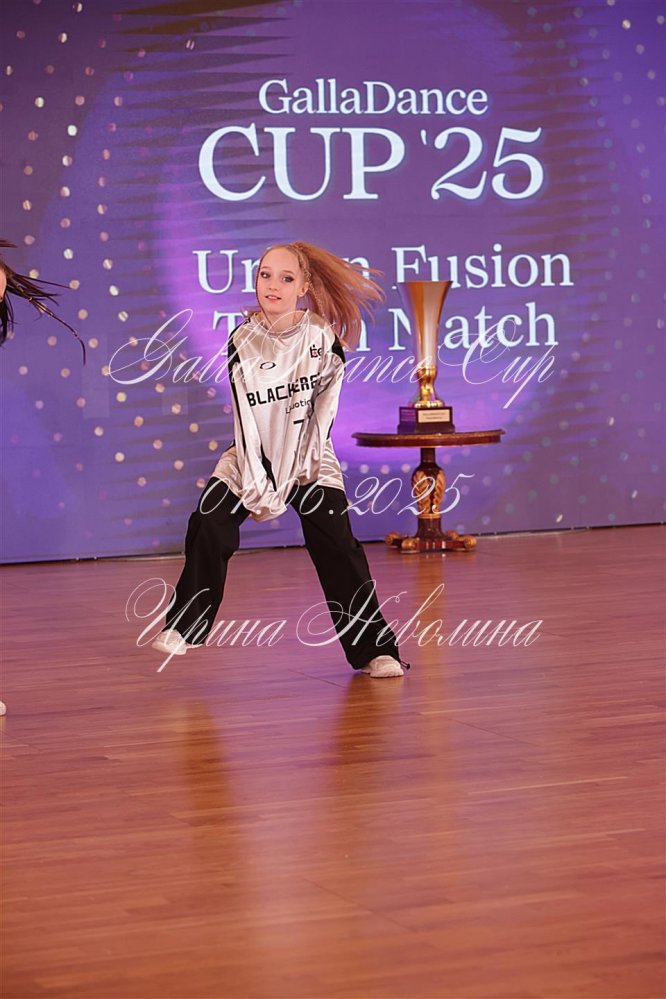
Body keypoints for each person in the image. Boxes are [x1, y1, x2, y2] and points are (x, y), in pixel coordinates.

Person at [151, 241, 410, 678]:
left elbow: (323, 412)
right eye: (265, 275)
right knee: (210, 521)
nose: (273, 285)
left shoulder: (320, 337)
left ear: (304, 286)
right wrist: (258, 479)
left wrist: (298, 469)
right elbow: (246, 417)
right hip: (253, 455)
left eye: (286, 278)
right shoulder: (242, 339)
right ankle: (185, 626)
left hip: (309, 457)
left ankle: (375, 651)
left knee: (338, 547)